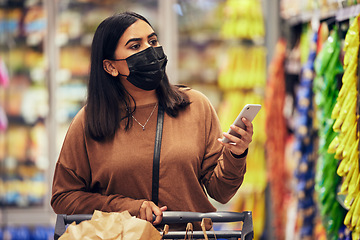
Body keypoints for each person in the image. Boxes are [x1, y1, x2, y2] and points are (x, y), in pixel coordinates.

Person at [51, 11, 253, 228]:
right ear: (110, 66)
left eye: (153, 41)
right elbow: (63, 198)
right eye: (135, 46)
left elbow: (220, 192)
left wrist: (235, 153)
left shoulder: (195, 106)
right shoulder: (89, 121)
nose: (149, 50)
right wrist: (128, 208)